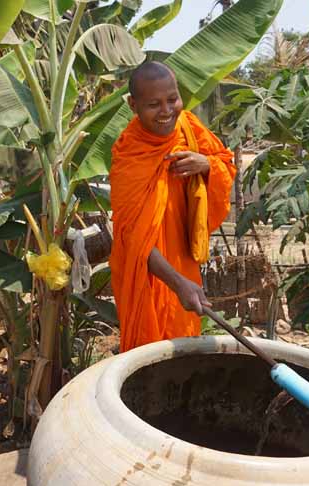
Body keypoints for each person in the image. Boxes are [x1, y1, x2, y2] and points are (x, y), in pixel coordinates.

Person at [109, 61, 237, 353]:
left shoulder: (189, 128)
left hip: (183, 263)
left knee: (184, 347)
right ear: (133, 104)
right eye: (154, 104)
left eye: (172, 99)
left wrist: (206, 165)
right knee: (148, 353)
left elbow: (225, 164)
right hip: (148, 275)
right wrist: (177, 283)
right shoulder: (129, 155)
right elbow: (133, 238)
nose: (167, 110)